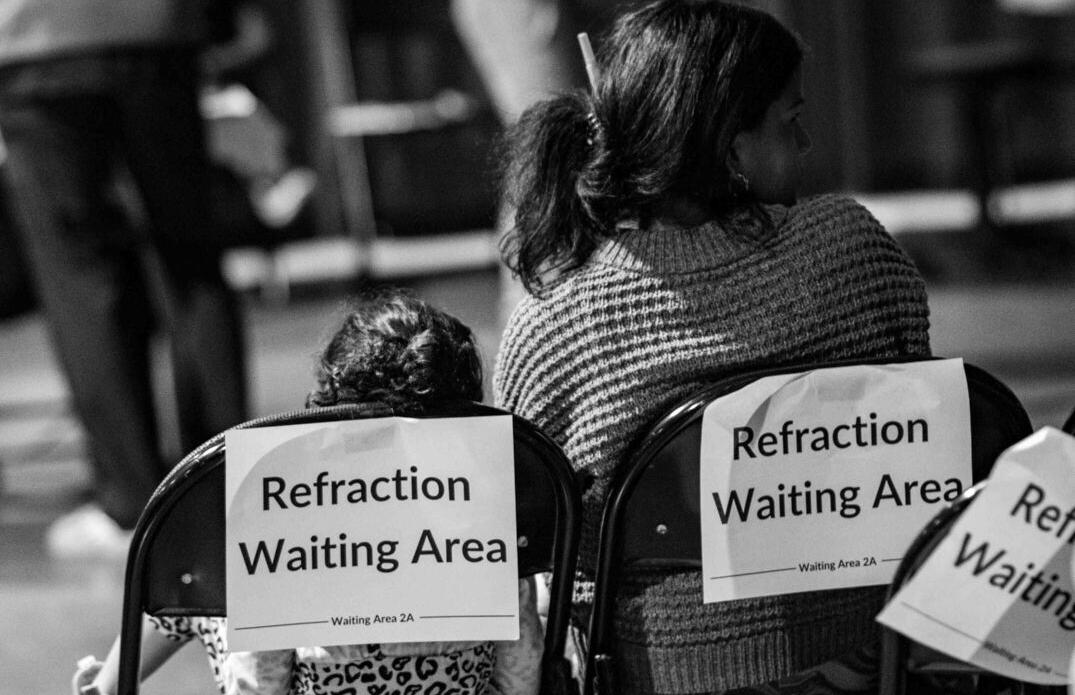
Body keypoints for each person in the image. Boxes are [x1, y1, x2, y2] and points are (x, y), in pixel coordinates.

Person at [493, 1, 932, 694]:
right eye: (791, 122)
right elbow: (921, 417)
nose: (809, 142)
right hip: (866, 653)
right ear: (730, 148)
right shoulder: (849, 249)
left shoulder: (552, 325)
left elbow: (543, 533)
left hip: (664, 670)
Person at [72, 291, 544, 695]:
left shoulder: (298, 523)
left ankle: (106, 685)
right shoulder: (485, 515)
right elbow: (521, 676)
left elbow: (260, 687)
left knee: (204, 577)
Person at [0, 0, 248, 556]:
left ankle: (129, 504)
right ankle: (227, 481)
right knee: (190, 258)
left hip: (32, 35)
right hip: (156, 25)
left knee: (80, 275)